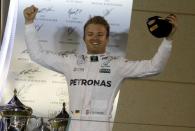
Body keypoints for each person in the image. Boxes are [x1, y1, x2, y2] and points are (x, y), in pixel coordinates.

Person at [23, 5, 177, 131]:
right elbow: (37, 55)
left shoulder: (117, 65)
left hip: (101, 125)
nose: (94, 38)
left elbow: (154, 67)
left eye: (100, 34)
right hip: (75, 123)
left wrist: (168, 40)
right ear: (84, 38)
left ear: (107, 38)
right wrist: (29, 24)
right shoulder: (71, 62)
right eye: (90, 34)